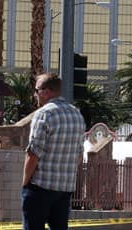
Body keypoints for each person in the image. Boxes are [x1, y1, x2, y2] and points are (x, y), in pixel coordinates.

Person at [21, 73, 86, 230]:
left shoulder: (44, 114)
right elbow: (79, 153)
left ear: (47, 92)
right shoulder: (76, 114)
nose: (34, 94)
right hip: (64, 189)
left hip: (40, 186)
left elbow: (34, 153)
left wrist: (24, 182)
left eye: (36, 90)